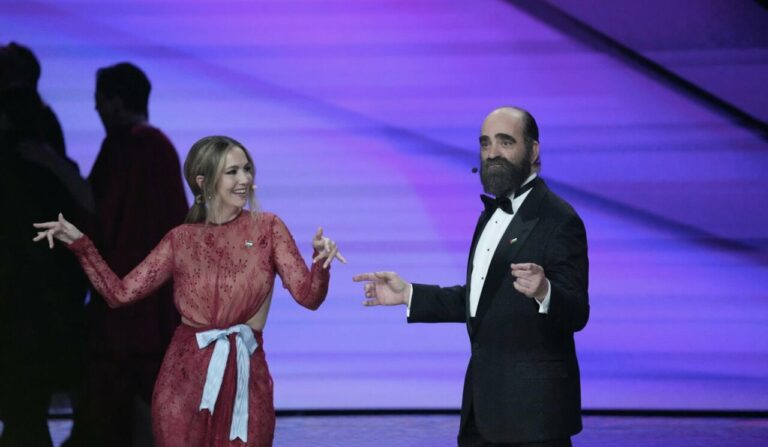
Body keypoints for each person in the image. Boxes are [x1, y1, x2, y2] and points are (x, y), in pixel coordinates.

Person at [33, 135, 346, 446]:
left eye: (247, 169)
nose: (245, 179)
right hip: (183, 381)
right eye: (232, 172)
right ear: (203, 181)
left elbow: (309, 297)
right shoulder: (180, 240)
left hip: (245, 379)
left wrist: (320, 264)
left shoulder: (268, 229)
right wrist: (81, 244)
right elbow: (120, 293)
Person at [353, 107, 589, 446]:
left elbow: (578, 311)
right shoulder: (488, 218)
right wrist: (409, 295)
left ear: (533, 151)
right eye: (485, 143)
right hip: (482, 413)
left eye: (505, 142)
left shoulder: (558, 219)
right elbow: (482, 300)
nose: (492, 153)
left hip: (535, 418)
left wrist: (545, 291)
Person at [65, 62, 188, 446]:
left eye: (100, 101)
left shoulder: (123, 147)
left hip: (124, 302)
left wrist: (59, 170)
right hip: (159, 301)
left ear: (116, 103)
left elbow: (98, 213)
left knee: (116, 393)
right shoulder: (161, 147)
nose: (98, 110)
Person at [0, 86, 90, 446]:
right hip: (42, 298)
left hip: (26, 299)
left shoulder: (26, 156)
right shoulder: (43, 151)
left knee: (23, 409)